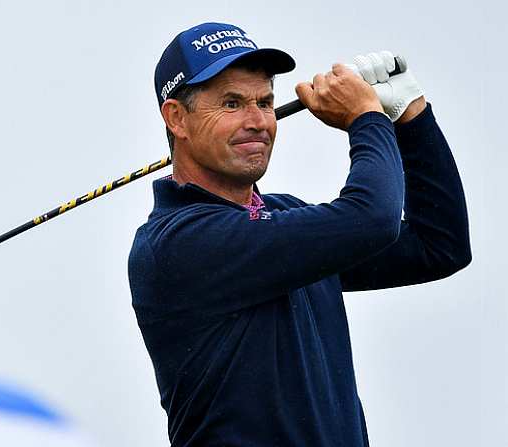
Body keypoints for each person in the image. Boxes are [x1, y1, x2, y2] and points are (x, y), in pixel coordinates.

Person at [128, 22, 471, 446]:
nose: (258, 121)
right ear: (177, 118)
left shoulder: (281, 216)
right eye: (232, 103)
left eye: (266, 101)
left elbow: (439, 245)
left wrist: (410, 118)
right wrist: (366, 120)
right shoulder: (179, 242)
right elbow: (371, 217)